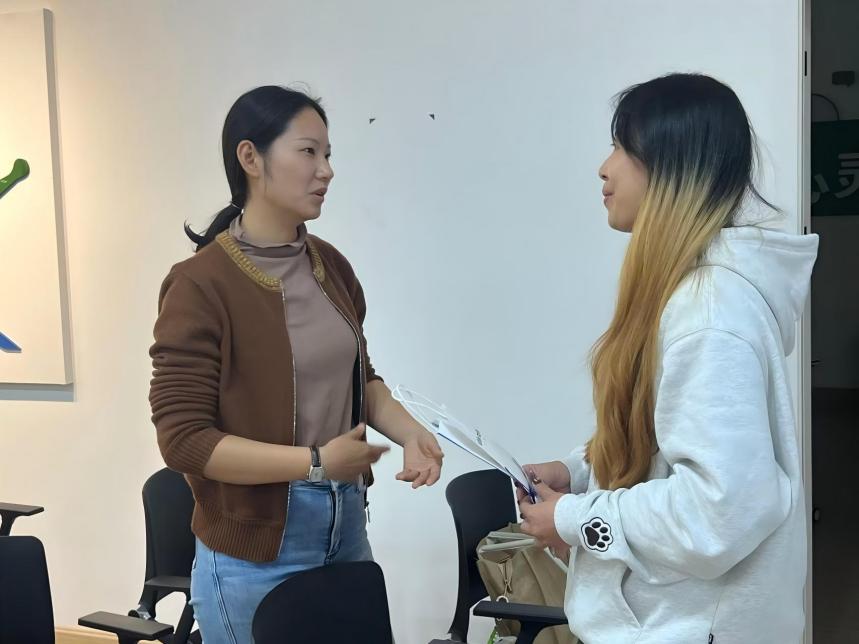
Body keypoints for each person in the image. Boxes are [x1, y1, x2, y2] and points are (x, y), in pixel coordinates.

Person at [518, 73, 818, 643]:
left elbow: (719, 510)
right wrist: (579, 472)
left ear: (670, 164)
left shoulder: (710, 312)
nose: (604, 168)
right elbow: (675, 448)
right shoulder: (694, 293)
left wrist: (573, 520)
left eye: (621, 147)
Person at [149, 85, 444, 643]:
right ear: (250, 157)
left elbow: (362, 379)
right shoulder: (200, 284)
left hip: (345, 524)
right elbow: (183, 441)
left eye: (328, 154)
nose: (326, 170)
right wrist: (314, 463)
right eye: (308, 152)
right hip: (252, 548)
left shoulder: (330, 265)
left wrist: (411, 434)